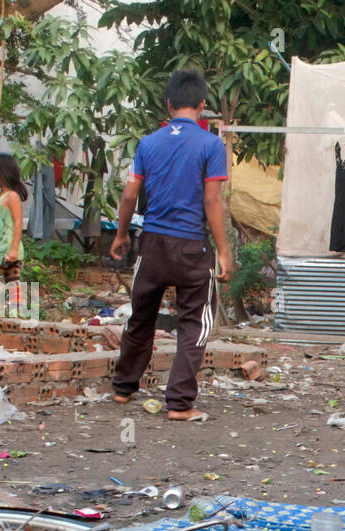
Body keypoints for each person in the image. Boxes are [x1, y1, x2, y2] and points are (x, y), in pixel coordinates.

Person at [111, 69, 233, 421]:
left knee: (141, 316)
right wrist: (223, 250)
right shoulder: (210, 145)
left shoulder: (148, 143)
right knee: (195, 322)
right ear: (202, 105)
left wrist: (120, 234)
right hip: (191, 246)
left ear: (168, 104)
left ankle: (124, 388)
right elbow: (212, 201)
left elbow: (130, 192)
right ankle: (179, 403)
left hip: (151, 244)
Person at [0, 154, 26, 284]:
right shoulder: (1, 196)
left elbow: (18, 221)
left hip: (8, 247)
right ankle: (16, 304)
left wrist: (14, 249)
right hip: (2, 245)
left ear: (2, 173)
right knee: (12, 282)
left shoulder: (12, 196)